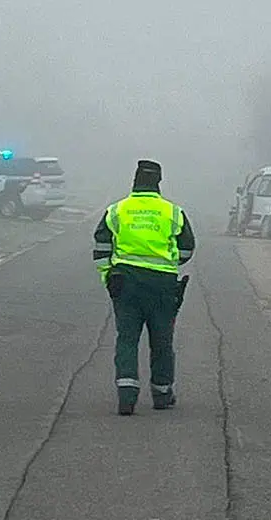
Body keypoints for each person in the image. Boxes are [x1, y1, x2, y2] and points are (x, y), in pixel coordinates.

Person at [92, 159, 196, 416]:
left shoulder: (117, 210)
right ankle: (162, 394)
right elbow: (187, 249)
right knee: (161, 339)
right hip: (162, 285)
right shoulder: (173, 212)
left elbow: (101, 246)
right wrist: (168, 261)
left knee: (127, 338)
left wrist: (108, 275)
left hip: (125, 282)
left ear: (135, 181)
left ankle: (127, 397)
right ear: (158, 183)